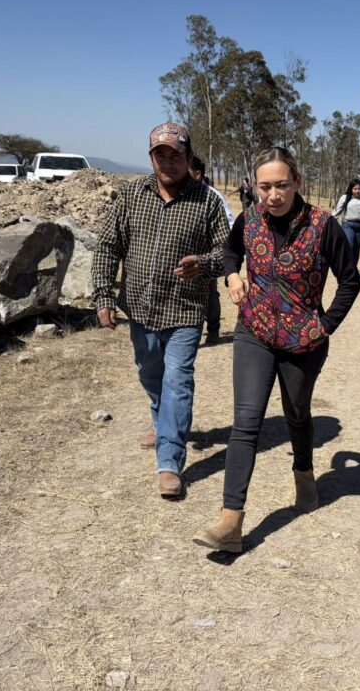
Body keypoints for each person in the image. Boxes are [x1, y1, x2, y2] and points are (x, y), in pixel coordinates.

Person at [192, 146, 360, 553]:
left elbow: (350, 281)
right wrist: (232, 275)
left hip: (304, 342)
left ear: (297, 182)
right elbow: (230, 251)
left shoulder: (323, 225)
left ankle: (304, 473)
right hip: (254, 331)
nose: (273, 195)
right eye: (264, 186)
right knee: (246, 422)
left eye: (281, 185)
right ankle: (230, 520)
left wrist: (324, 326)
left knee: (296, 413)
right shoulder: (249, 218)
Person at [92, 123, 231, 499]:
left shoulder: (208, 202)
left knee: (177, 381)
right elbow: (107, 246)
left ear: (189, 157)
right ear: (151, 157)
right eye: (160, 155)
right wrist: (103, 296)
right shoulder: (132, 195)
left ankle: (169, 461)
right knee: (150, 373)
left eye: (175, 155)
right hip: (140, 308)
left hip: (185, 311)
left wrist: (203, 264)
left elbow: (227, 253)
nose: (168, 162)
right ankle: (161, 417)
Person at [189, 155, 236, 345]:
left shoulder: (213, 197)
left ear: (198, 174)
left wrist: (217, 252)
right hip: (183, 255)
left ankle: (213, 328)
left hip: (207, 255)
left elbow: (230, 223)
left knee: (209, 291)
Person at [332, 179, 360, 267]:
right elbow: (337, 211)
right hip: (348, 225)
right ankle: (345, 268)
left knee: (356, 249)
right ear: (351, 189)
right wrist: (331, 222)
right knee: (349, 246)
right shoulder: (345, 197)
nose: (357, 191)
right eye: (355, 189)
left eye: (359, 189)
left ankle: (352, 269)